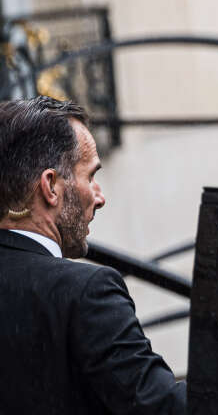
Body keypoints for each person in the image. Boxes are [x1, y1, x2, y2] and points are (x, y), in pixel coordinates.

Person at [0, 97, 186, 415]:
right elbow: (162, 407)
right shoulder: (86, 292)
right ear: (51, 186)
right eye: (90, 176)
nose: (99, 197)